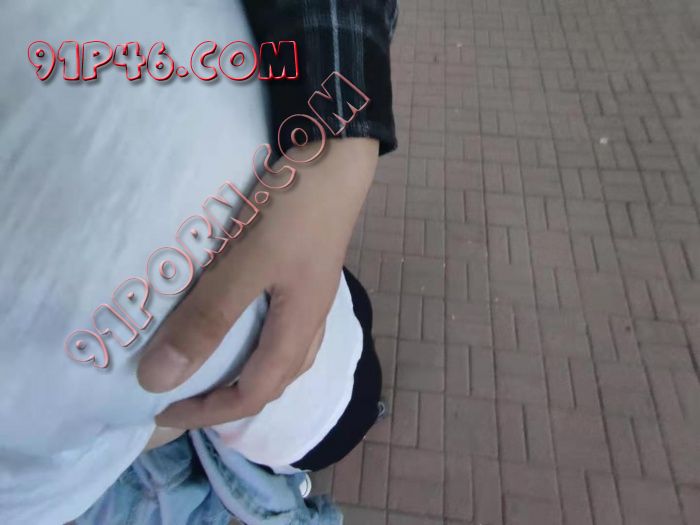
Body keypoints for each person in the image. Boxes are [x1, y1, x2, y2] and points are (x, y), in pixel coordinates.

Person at [0, 0, 397, 523]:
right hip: (274, 391)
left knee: (344, 371)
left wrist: (341, 135)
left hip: (304, 271)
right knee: (338, 408)